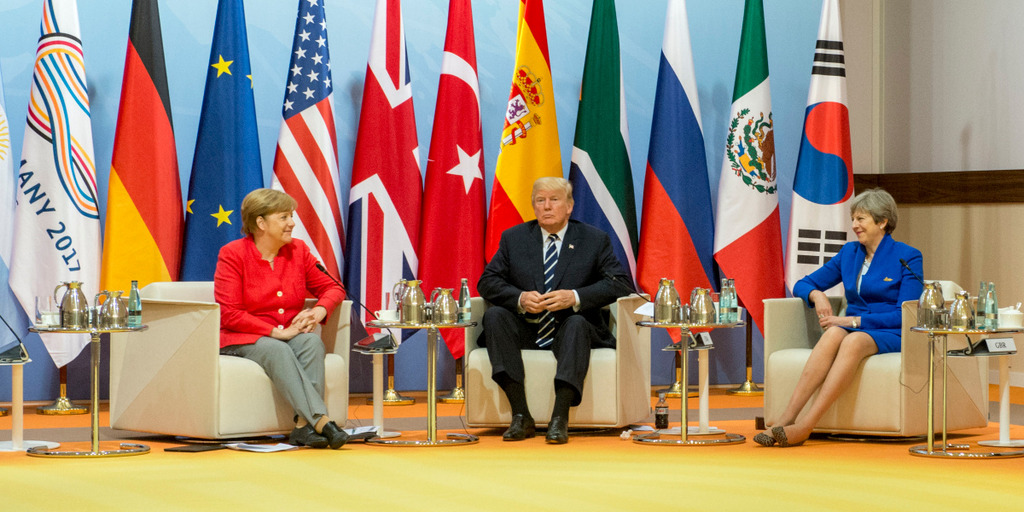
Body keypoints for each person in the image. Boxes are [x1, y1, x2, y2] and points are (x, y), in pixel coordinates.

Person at [755, 188, 923, 447]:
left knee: (851, 340)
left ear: (882, 221)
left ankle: (806, 425)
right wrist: (817, 296)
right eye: (853, 218)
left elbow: (905, 314)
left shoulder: (908, 256)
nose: (854, 225)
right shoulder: (849, 253)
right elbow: (802, 283)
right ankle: (785, 419)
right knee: (834, 333)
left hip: (891, 331)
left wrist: (853, 322)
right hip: (853, 329)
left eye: (861, 219)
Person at [478, 177, 630, 444]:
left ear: (569, 206)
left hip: (571, 330)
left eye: (554, 200)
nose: (547, 207)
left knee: (577, 324)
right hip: (527, 327)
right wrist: (520, 298)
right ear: (534, 206)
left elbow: (620, 283)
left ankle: (559, 418)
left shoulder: (593, 239)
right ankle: (521, 416)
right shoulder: (514, 238)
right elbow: (487, 282)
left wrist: (574, 297)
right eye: (540, 200)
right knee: (494, 316)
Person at [214, 188, 349, 449]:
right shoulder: (233, 254)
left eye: (291, 216)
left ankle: (302, 427)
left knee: (311, 343)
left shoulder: (298, 251)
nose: (292, 223)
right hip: (241, 337)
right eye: (284, 217)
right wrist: (276, 333)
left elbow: (333, 288)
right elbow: (230, 313)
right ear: (260, 223)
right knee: (277, 349)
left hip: (285, 333)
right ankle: (321, 421)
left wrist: (318, 311)